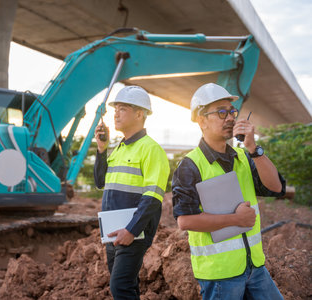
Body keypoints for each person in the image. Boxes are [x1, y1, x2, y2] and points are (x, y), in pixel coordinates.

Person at [172, 83, 285, 300]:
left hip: (254, 266)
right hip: (220, 274)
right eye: (221, 112)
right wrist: (235, 219)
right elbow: (185, 221)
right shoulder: (190, 165)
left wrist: (255, 150)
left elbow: (276, 187)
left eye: (231, 111)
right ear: (201, 119)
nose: (230, 118)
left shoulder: (244, 157)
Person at [94, 86, 170, 299]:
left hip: (133, 231)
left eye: (122, 108)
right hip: (112, 230)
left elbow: (153, 197)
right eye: (115, 109)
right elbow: (101, 182)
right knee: (125, 285)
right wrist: (102, 150)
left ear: (140, 114)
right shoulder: (119, 148)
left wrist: (131, 230)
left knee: (121, 287)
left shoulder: (151, 149)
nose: (116, 114)